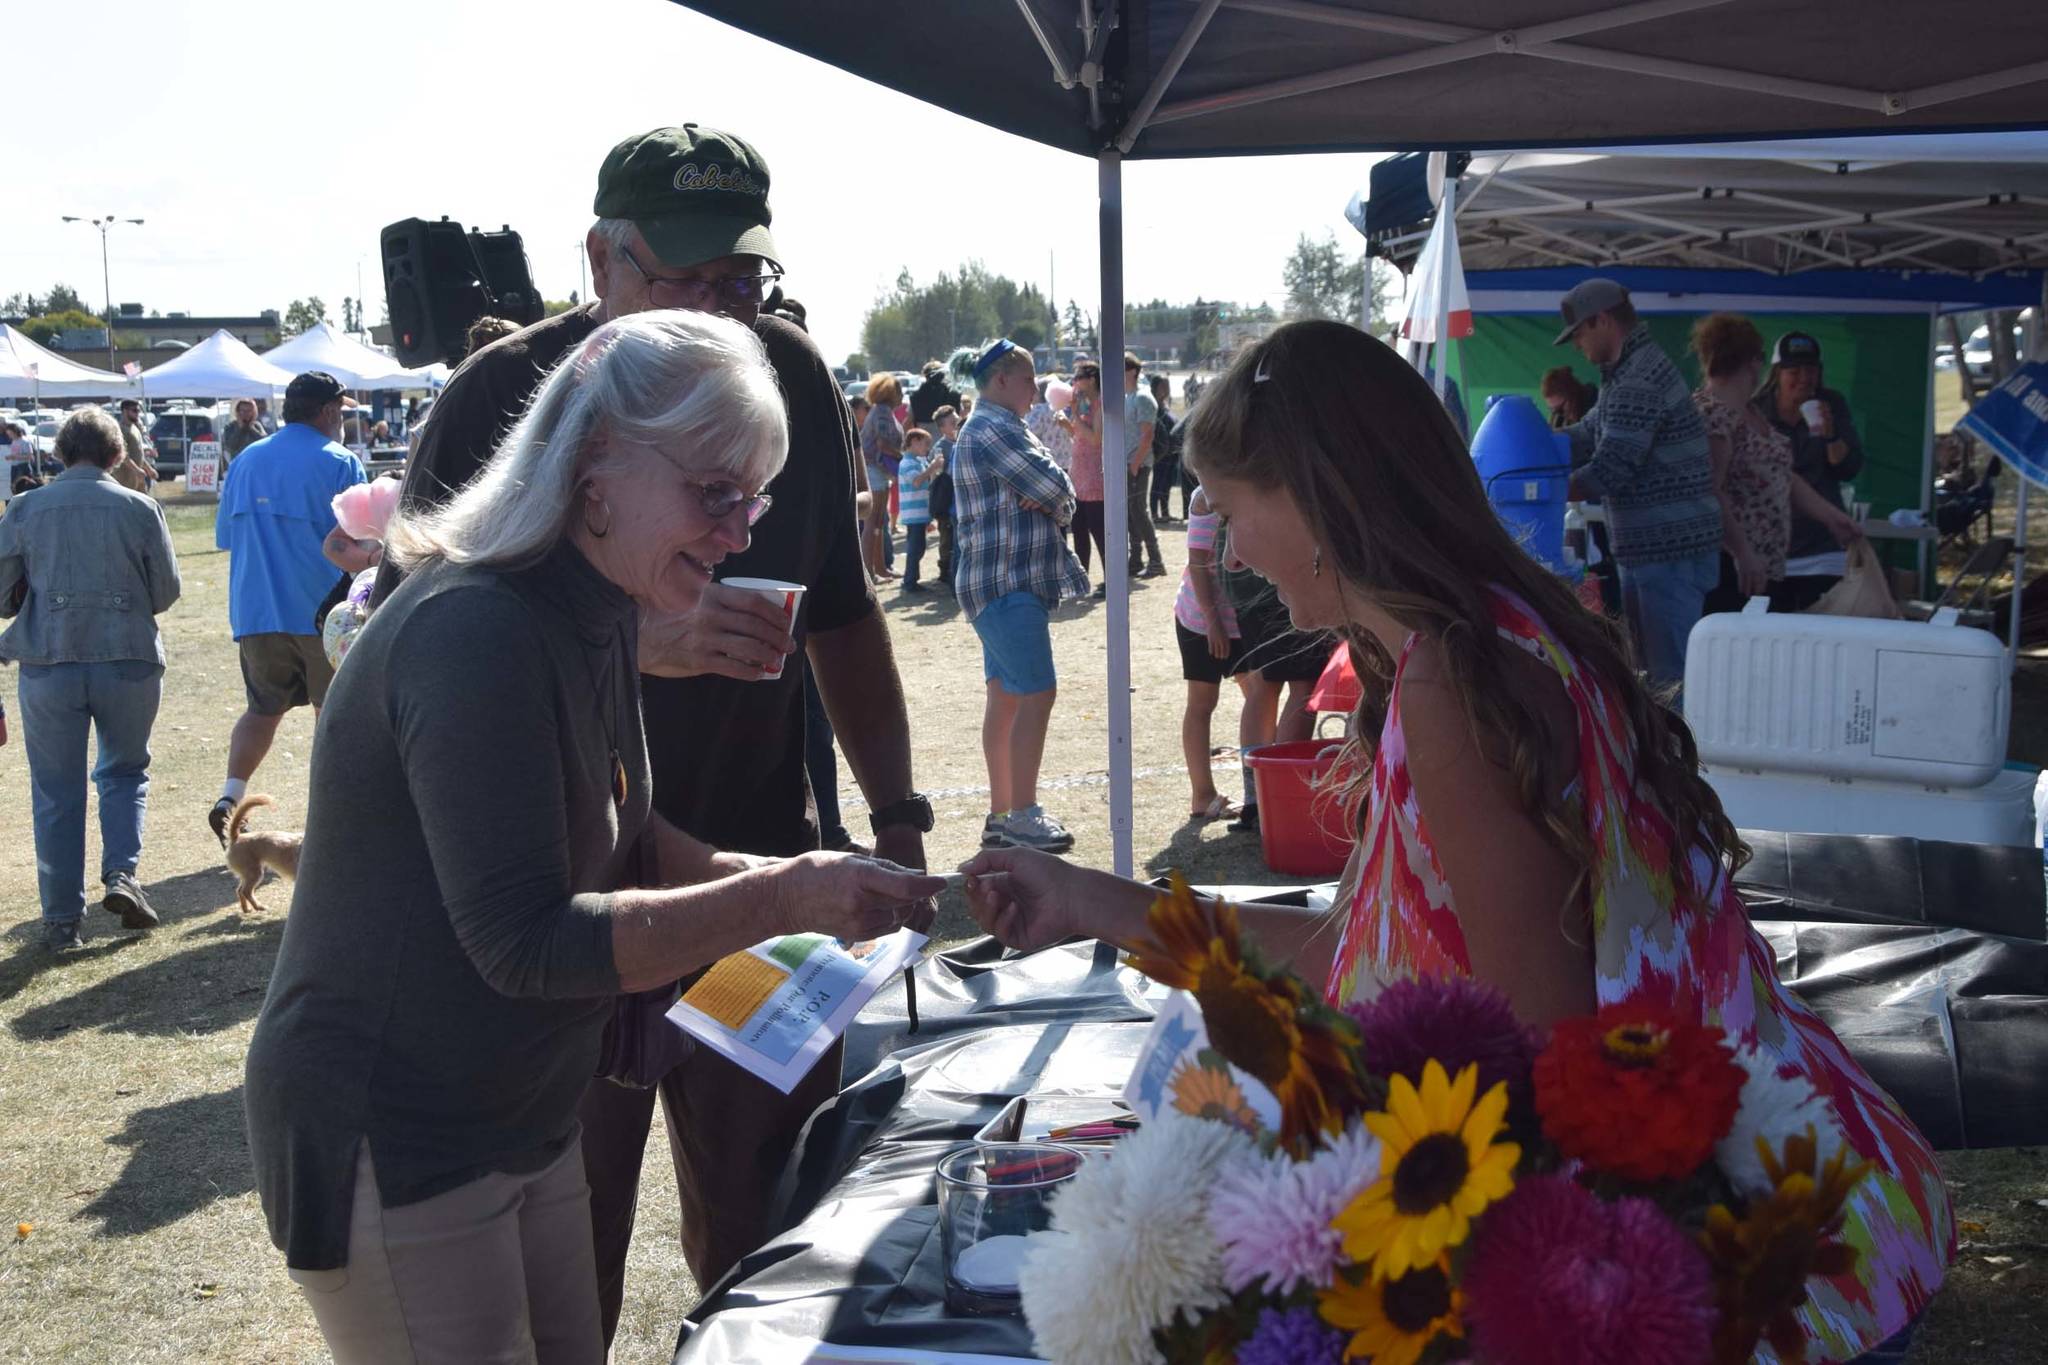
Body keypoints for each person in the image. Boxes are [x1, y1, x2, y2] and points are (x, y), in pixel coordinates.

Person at [961, 318, 1950, 1365]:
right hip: (1799, 1214)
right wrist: (1092, 903)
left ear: (1321, 500)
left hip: (1743, 1278)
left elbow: (1536, 1067)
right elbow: (1350, 950)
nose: (1233, 547)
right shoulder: (1457, 648)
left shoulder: (1455, 693)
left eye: (1235, 510)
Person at [244, 312, 944, 1364]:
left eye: (750, 495)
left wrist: (811, 882)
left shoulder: (590, 606)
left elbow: (625, 834)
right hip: (399, 1131)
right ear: (596, 465)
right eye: (716, 492)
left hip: (516, 1113)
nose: (740, 529)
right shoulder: (477, 628)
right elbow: (528, 944)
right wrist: (781, 895)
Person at [369, 124, 931, 1329]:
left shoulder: (790, 380)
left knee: (771, 1232)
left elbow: (842, 616)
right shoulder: (506, 396)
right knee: (572, 1237)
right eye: (685, 279)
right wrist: (633, 642)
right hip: (564, 893)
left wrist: (898, 818)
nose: (722, 310)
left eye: (740, 279)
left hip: (748, 863)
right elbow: (414, 631)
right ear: (599, 261)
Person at [0, 407, 181, 952]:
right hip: (128, 658)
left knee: (56, 792)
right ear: (116, 454)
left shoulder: (26, 508)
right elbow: (166, 591)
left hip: (50, 662)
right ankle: (123, 874)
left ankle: (61, 922)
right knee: (124, 772)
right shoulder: (141, 506)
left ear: (59, 453)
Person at [207, 371, 371, 844]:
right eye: (340, 410)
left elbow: (224, 537)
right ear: (327, 411)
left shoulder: (245, 460)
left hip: (255, 612)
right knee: (332, 713)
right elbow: (359, 541)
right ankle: (332, 817)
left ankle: (229, 796)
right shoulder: (340, 461)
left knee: (262, 709)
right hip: (323, 614)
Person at [954, 339, 1088, 853]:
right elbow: (1058, 489)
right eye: (1030, 379)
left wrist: (1052, 496)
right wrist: (1054, 497)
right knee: (1036, 692)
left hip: (995, 582)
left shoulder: (989, 426)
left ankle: (1002, 815)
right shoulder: (995, 429)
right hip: (1008, 581)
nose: (1037, 390)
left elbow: (1052, 491)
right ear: (1004, 380)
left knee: (1007, 698)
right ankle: (1022, 815)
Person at [1555, 278, 1720, 689]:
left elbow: (1610, 468)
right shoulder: (1630, 371)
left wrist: (1541, 490)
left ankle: (1686, 753)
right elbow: (1591, 432)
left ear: (1602, 321)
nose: (1578, 346)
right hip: (1665, 550)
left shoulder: (1636, 380)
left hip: (1666, 554)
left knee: (1670, 680)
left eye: (1578, 335)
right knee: (1662, 673)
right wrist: (1536, 442)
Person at [1691, 315, 1861, 615]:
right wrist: (1742, 552)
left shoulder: (1749, 410)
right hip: (1734, 569)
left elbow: (1784, 476)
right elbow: (1710, 491)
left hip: (1768, 566)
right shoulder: (1714, 414)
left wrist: (1833, 517)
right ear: (1756, 362)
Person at [1173, 483, 1272, 823]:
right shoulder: (1207, 495)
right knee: (1202, 703)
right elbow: (1197, 561)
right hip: (1201, 619)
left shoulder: (1257, 483)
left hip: (1245, 615)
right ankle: (1202, 796)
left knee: (1260, 697)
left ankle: (1260, 793)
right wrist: (1213, 621)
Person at [1757, 331, 1867, 611]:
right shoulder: (1755, 410)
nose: (1804, 378)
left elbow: (1848, 468)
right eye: (1794, 371)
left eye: (1811, 370)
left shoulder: (1832, 403)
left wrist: (1830, 435)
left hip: (1822, 548)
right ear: (1777, 374)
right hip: (1768, 548)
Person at [1063, 361, 1108, 589]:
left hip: (1094, 475)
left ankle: (1111, 580)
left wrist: (1074, 416)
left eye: (1078, 377)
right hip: (1078, 474)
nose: (1075, 382)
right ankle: (1082, 579)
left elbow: (1095, 439)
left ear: (1091, 379)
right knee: (1079, 529)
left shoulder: (1100, 403)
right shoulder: (1083, 403)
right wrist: (1068, 423)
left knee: (1099, 531)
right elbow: (1080, 435)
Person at [1123, 353, 1166, 578]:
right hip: (1129, 463)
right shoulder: (1127, 396)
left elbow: (1147, 435)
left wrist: (1135, 464)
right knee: (1130, 513)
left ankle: (1156, 560)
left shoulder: (1142, 397)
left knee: (1139, 511)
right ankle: (1136, 558)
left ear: (1131, 371)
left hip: (1137, 463)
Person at [860, 373, 904, 580]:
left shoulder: (880, 412)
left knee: (878, 521)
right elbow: (882, 444)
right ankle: (869, 570)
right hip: (876, 470)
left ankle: (879, 567)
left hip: (877, 470)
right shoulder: (883, 414)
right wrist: (900, 456)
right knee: (873, 522)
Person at [897, 426, 939, 592]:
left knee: (918, 548)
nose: (927, 448)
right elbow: (916, 481)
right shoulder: (907, 462)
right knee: (916, 549)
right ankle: (910, 582)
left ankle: (911, 579)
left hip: (920, 513)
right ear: (913, 442)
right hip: (914, 514)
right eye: (924, 444)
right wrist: (932, 467)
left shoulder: (918, 461)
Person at [929, 405, 961, 588]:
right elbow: (938, 477)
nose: (956, 424)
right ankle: (945, 571)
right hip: (946, 499)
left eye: (957, 420)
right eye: (952, 422)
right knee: (946, 536)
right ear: (942, 428)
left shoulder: (961, 441)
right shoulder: (940, 448)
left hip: (958, 498)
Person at [1148, 373, 1186, 522]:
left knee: (1167, 483)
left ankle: (1165, 512)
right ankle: (1154, 514)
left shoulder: (1165, 405)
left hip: (1172, 452)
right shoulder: (1154, 406)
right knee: (1158, 482)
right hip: (1160, 453)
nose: (1167, 389)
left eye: (1168, 385)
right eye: (1164, 386)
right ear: (1156, 388)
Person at [113, 399, 158, 493]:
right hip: (125, 478)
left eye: (138, 411)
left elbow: (139, 453)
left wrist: (148, 469)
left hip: (138, 478)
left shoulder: (135, 428)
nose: (138, 413)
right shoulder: (120, 430)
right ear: (125, 411)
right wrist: (137, 470)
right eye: (134, 411)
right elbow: (123, 455)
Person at [910, 358, 961, 429]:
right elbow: (959, 416)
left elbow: (912, 419)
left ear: (925, 375)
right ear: (943, 375)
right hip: (948, 432)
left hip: (924, 435)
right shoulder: (954, 394)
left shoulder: (915, 396)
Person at [222, 399, 266, 465]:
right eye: (243, 411)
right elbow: (230, 446)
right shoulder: (230, 427)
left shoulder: (257, 425)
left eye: (249, 411)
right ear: (238, 411)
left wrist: (251, 428)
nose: (246, 413)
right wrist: (240, 427)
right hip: (238, 464)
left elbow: (264, 442)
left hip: (255, 463)